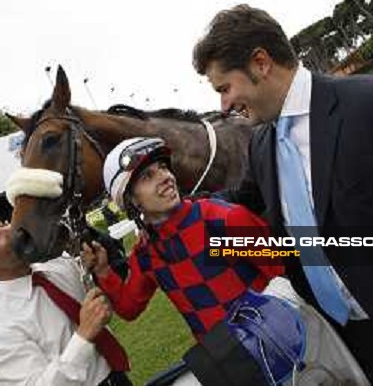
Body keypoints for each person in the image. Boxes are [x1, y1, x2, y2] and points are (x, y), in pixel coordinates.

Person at [192, 3, 373, 384]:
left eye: (224, 88)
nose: (223, 104)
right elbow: (236, 205)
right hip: (356, 348)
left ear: (260, 62)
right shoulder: (261, 146)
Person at [82, 137, 284, 341]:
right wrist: (103, 271)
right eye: (147, 176)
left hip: (281, 345)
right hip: (227, 362)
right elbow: (129, 308)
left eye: (163, 167)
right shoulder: (145, 254)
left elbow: (285, 275)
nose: (165, 177)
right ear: (132, 201)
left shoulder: (222, 218)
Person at [0, 217, 131, 386]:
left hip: (119, 378)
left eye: (2, 224)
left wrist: (98, 270)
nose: (11, 229)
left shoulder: (58, 262)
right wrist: (83, 335)